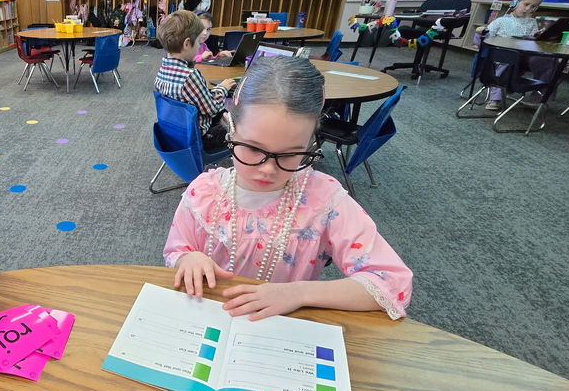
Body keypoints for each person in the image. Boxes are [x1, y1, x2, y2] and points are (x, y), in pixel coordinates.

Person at [164, 55, 412, 321]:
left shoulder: (324, 201)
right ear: (231, 127)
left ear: (311, 141)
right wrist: (186, 260)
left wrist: (299, 293)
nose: (268, 168)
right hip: (208, 318)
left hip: (281, 330)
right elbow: (176, 250)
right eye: (252, 148)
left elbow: (393, 284)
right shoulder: (204, 192)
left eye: (291, 154)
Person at [155, 10, 236, 151]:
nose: (199, 46)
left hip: (175, 136)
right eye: (198, 42)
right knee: (241, 126)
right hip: (200, 140)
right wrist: (223, 88)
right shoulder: (190, 76)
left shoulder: (162, 71)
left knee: (225, 115)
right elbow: (211, 109)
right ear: (187, 44)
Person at [475, 0, 559, 110]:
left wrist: (537, 36)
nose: (528, 9)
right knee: (505, 62)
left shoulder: (532, 22)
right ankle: (495, 98)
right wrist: (481, 33)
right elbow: (485, 38)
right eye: (526, 4)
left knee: (548, 61)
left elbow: (532, 43)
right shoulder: (501, 21)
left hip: (525, 55)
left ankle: (539, 98)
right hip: (504, 54)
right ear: (516, 2)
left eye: (533, 7)